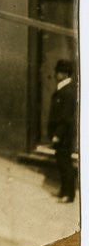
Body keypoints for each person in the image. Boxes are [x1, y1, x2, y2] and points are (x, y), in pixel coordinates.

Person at [48, 58, 77, 203]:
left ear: (65, 74)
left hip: (63, 134)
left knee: (65, 164)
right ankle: (63, 191)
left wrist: (57, 135)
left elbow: (66, 117)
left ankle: (69, 194)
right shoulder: (63, 88)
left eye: (59, 72)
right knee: (61, 162)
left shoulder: (68, 91)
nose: (56, 74)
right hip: (61, 133)